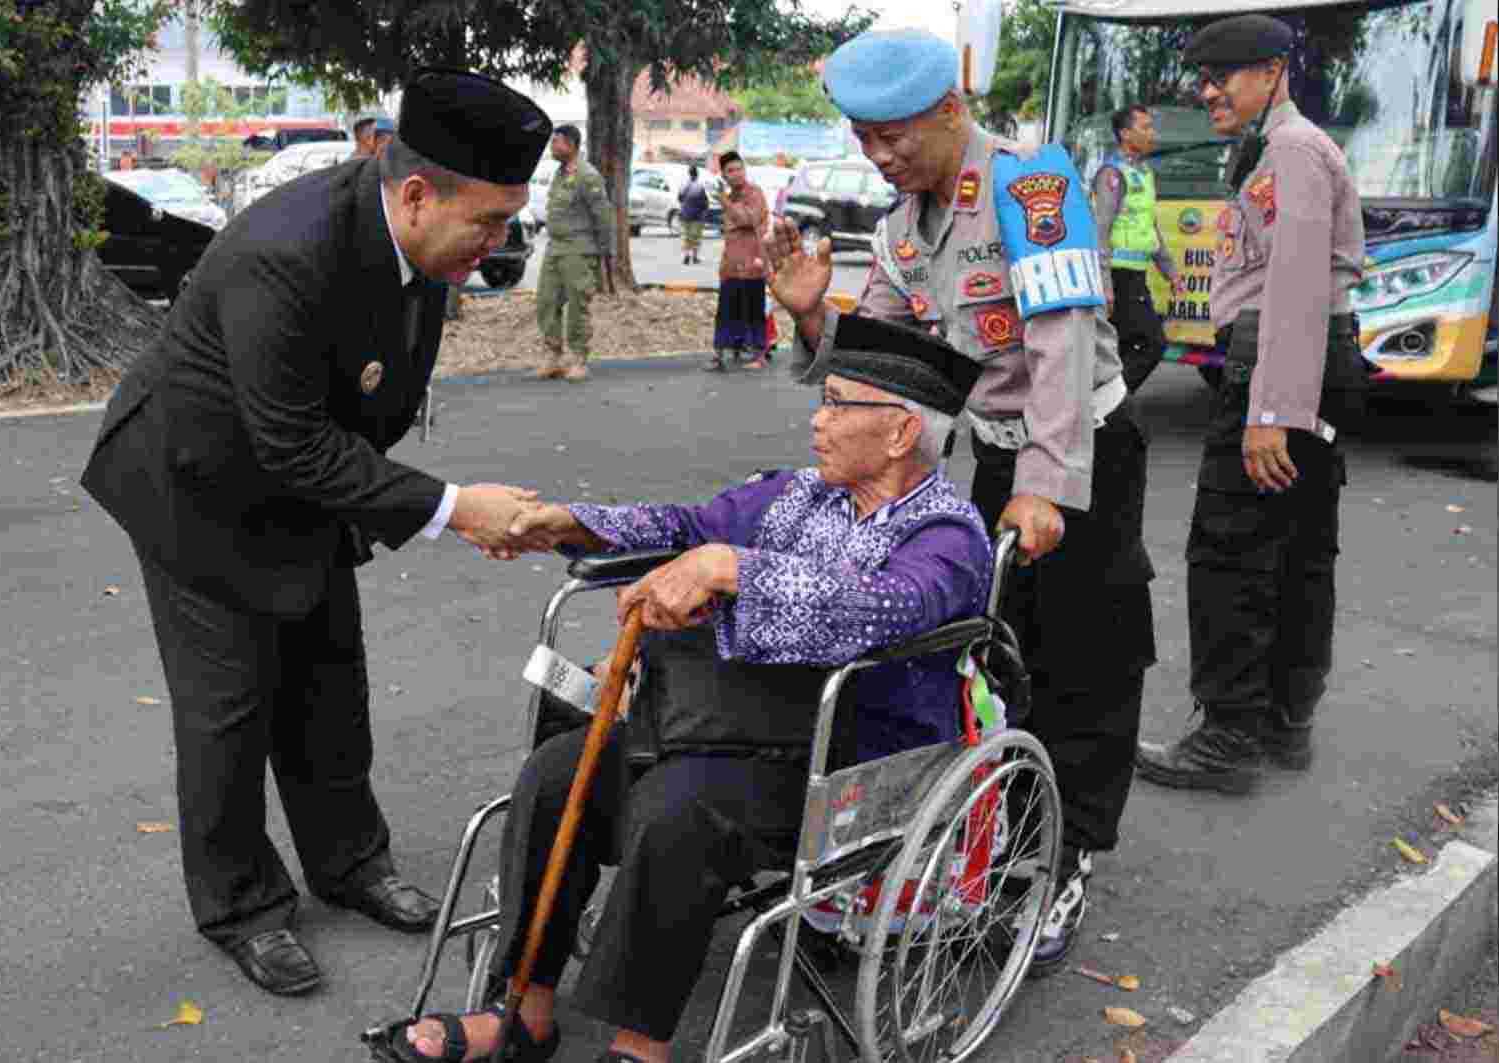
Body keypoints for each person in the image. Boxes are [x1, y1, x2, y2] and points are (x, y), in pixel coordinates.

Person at [380, 319, 992, 1063]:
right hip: (721, 720)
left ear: (898, 432)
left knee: (679, 811)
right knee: (557, 774)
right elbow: (684, 524)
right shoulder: (798, 495)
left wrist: (731, 568)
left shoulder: (949, 535)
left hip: (844, 759)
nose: (817, 420)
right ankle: (524, 1012)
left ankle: (641, 1045)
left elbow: (885, 606)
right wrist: (568, 524)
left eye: (835, 403)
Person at [79, 69, 552, 999]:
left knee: (330, 681)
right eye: (489, 223)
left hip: (308, 487)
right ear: (417, 191)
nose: (499, 246)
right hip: (197, 489)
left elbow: (359, 397)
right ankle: (243, 904)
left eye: (509, 222)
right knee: (229, 708)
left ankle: (351, 863)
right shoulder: (288, 249)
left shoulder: (417, 238)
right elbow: (289, 439)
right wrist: (456, 508)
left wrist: (403, 499)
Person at [767, 26, 1154, 973]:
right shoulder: (904, 226)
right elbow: (894, 363)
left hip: (1083, 453)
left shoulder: (1033, 184)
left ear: (951, 109)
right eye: (863, 137)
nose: (879, 154)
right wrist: (815, 315)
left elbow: (1061, 340)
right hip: (993, 458)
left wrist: (1047, 487)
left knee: (1083, 657)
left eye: (894, 134)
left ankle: (1066, 856)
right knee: (989, 652)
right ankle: (990, 829)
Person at [1134, 15, 1367, 794]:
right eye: (1204, 79)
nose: (1208, 92)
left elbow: (1295, 280)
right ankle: (1283, 723)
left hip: (1281, 355)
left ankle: (1230, 735)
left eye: (1223, 76)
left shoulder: (1291, 152)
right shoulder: (1288, 147)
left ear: (1272, 71)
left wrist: (1272, 410)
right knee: (1299, 546)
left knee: (1232, 551)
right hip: (1311, 356)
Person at [1094, 104, 1179, 396]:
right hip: (1119, 276)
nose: (1152, 133)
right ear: (1125, 133)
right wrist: (1105, 285)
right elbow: (1101, 232)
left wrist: (1170, 271)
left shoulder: (1143, 172)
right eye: (1145, 127)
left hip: (1136, 274)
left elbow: (1149, 226)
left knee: (1119, 348)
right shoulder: (1112, 175)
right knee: (1152, 344)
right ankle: (1111, 403)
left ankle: (1105, 410)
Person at [535, 123, 614, 382]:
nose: (552, 147)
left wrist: (605, 252)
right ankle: (554, 356)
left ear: (571, 144)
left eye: (556, 142)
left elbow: (603, 217)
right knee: (546, 301)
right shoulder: (559, 173)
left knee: (578, 305)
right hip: (555, 247)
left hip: (579, 250)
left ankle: (579, 358)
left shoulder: (587, 176)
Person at [711, 151, 770, 372]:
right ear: (724, 175)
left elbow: (747, 219)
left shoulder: (755, 193)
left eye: (739, 169)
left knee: (753, 310)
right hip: (731, 266)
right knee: (725, 311)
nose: (735, 174)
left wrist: (724, 202)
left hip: (752, 264)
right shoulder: (730, 196)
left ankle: (758, 354)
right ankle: (719, 354)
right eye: (730, 171)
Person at [677, 163, 710, 265]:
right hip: (697, 216)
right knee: (695, 237)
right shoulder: (700, 187)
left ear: (689, 174)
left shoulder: (683, 185)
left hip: (684, 215)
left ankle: (686, 255)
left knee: (685, 236)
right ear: (697, 174)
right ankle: (695, 257)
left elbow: (679, 198)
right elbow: (705, 203)